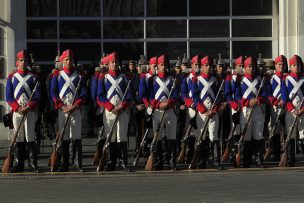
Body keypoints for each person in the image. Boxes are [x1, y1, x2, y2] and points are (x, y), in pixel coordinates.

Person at [51, 49, 87, 172]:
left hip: (75, 109)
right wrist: (62, 106)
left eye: (70, 59)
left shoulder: (79, 75)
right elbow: (53, 93)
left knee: (76, 137)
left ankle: (77, 163)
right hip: (63, 110)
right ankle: (63, 164)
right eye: (66, 59)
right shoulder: (57, 75)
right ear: (62, 61)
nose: (68, 61)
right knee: (64, 137)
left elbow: (83, 93)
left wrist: (75, 105)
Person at [6, 49, 41, 173]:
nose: (23, 62)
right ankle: (18, 163)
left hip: (29, 111)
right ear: (17, 62)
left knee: (30, 136)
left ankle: (32, 163)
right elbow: (9, 96)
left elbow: (37, 96)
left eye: (25, 60)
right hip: (17, 111)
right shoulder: (11, 77)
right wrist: (17, 108)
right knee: (18, 137)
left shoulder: (33, 78)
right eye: (21, 60)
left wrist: (29, 107)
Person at [97, 52, 131, 171]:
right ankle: (111, 161)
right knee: (110, 137)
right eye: (112, 62)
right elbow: (100, 96)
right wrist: (111, 107)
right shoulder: (104, 77)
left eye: (116, 62)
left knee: (121, 137)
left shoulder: (125, 77)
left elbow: (129, 95)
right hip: (109, 111)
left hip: (122, 110)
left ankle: (123, 161)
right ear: (109, 64)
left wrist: (122, 106)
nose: (114, 64)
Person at [235, 56, 268, 168]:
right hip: (246, 110)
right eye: (249, 66)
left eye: (253, 66)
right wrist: (247, 102)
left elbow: (265, 94)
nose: (251, 68)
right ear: (244, 67)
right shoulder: (240, 80)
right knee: (246, 136)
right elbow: (237, 96)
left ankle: (259, 159)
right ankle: (246, 160)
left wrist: (257, 100)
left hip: (258, 109)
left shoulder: (260, 79)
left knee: (258, 135)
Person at [149, 54, 179, 170]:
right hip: (157, 111)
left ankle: (172, 161)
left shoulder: (173, 79)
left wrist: (169, 103)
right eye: (161, 65)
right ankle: (158, 161)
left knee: (172, 136)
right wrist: (159, 104)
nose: (164, 67)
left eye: (165, 65)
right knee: (158, 137)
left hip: (170, 110)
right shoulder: (152, 79)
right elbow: (150, 96)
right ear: (157, 66)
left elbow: (176, 95)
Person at [192, 56, 222, 169]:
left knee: (214, 135)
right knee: (202, 136)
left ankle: (216, 160)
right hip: (202, 112)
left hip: (213, 111)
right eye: (206, 65)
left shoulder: (216, 79)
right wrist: (204, 110)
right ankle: (202, 160)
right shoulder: (196, 79)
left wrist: (214, 110)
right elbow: (195, 97)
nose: (209, 67)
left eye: (210, 65)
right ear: (202, 66)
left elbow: (219, 97)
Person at [281, 55, 304, 167]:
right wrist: (293, 110)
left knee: (303, 134)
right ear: (290, 66)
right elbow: (285, 97)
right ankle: (291, 159)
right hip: (291, 111)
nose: (297, 67)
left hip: (303, 110)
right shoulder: (285, 80)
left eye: (299, 65)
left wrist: (302, 110)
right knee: (291, 135)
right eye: (295, 65)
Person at [266, 55, 287, 161]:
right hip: (275, 107)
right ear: (275, 65)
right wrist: (276, 101)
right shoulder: (271, 78)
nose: (281, 66)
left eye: (283, 64)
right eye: (279, 64)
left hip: (287, 107)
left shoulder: (288, 77)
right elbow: (268, 94)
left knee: (288, 131)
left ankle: (288, 154)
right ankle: (276, 153)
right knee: (275, 131)